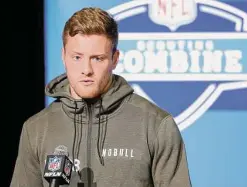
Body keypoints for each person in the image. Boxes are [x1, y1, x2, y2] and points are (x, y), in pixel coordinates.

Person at [10, 7, 192, 187]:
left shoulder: (156, 125)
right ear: (63, 56)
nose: (86, 70)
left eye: (97, 58)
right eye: (77, 57)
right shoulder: (37, 129)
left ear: (115, 59)